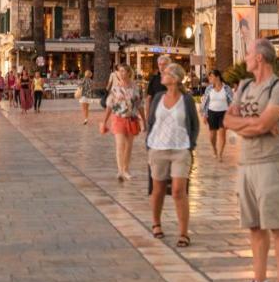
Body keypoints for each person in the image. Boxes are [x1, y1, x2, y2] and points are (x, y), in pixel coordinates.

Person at [225, 39, 279, 282]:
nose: (246, 58)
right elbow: (228, 120)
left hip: (270, 163)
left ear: (261, 58)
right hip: (246, 163)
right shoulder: (244, 86)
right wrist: (254, 124)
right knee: (254, 225)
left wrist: (251, 124)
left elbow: (266, 123)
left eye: (249, 54)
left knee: (276, 224)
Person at [145, 63, 200, 248]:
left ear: (175, 79)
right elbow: (151, 121)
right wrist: (149, 144)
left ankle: (184, 233)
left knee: (178, 191)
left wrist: (190, 145)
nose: (162, 74)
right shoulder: (159, 98)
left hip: (180, 149)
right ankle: (156, 223)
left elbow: (194, 124)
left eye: (166, 73)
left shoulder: (187, 100)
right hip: (158, 148)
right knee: (158, 189)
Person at [100, 63, 143, 182]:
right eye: (120, 71)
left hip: (131, 119)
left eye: (123, 71)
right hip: (118, 118)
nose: (121, 73)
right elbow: (110, 105)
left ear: (129, 72)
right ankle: (120, 171)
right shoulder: (115, 88)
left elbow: (140, 104)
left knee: (128, 146)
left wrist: (144, 120)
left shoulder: (135, 87)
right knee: (120, 145)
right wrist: (104, 121)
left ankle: (126, 169)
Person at [199, 69, 233, 159]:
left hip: (224, 113)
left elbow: (232, 102)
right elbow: (205, 103)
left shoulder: (227, 88)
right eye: (209, 76)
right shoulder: (209, 89)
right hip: (212, 113)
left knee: (222, 134)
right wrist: (205, 115)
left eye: (211, 76)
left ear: (217, 77)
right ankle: (214, 149)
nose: (209, 78)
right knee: (212, 136)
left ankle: (220, 154)